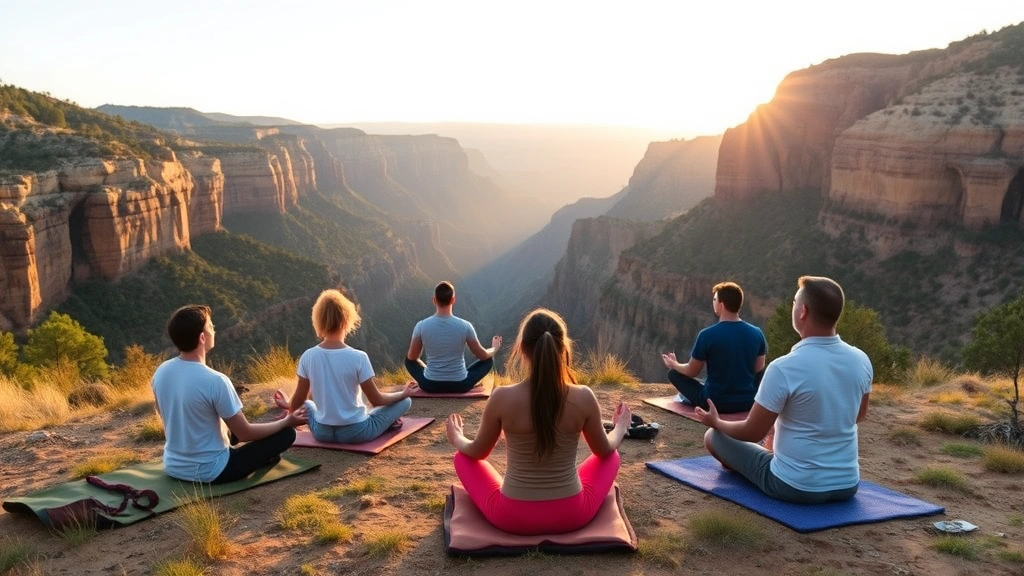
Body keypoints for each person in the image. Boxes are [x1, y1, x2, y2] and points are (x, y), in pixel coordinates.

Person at [445, 308, 631, 535]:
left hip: (512, 517)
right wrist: (620, 427)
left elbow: (477, 453)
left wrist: (457, 438)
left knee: (462, 458)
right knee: (612, 456)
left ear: (522, 350)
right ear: (563, 349)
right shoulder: (583, 396)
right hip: (572, 515)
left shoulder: (502, 397)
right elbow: (603, 450)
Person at [695, 276, 873, 504]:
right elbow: (859, 414)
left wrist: (716, 422)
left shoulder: (784, 367)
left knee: (714, 438)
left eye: (794, 302)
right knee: (775, 432)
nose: (793, 307)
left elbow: (752, 432)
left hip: (794, 485)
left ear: (803, 312)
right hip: (848, 484)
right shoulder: (861, 360)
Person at [151, 304, 305, 484]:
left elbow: (169, 416)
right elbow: (245, 433)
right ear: (202, 338)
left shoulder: (161, 372)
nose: (214, 329)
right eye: (210, 326)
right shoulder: (215, 380)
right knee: (287, 435)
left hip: (173, 467)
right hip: (213, 471)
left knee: (230, 428)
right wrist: (287, 421)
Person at [278, 289, 418, 443]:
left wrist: (288, 409)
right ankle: (387, 423)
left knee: (308, 404)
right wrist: (403, 393)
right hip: (357, 433)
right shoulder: (358, 357)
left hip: (322, 433)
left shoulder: (308, 356)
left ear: (318, 321)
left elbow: (298, 401)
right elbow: (377, 400)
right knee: (406, 401)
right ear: (347, 320)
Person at [660, 281, 766, 413]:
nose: (713, 302)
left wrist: (674, 364)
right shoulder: (757, 333)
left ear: (721, 305)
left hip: (714, 403)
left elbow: (692, 371)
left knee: (674, 374)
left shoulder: (707, 335)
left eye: (715, 299)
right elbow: (758, 370)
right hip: (747, 402)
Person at [405, 281, 502, 393]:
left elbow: (412, 358)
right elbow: (483, 355)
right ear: (453, 300)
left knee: (408, 361)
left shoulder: (421, 326)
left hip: (430, 384)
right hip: (460, 385)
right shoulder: (465, 326)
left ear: (434, 300)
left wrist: (427, 370)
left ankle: (430, 374)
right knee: (488, 360)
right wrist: (495, 348)